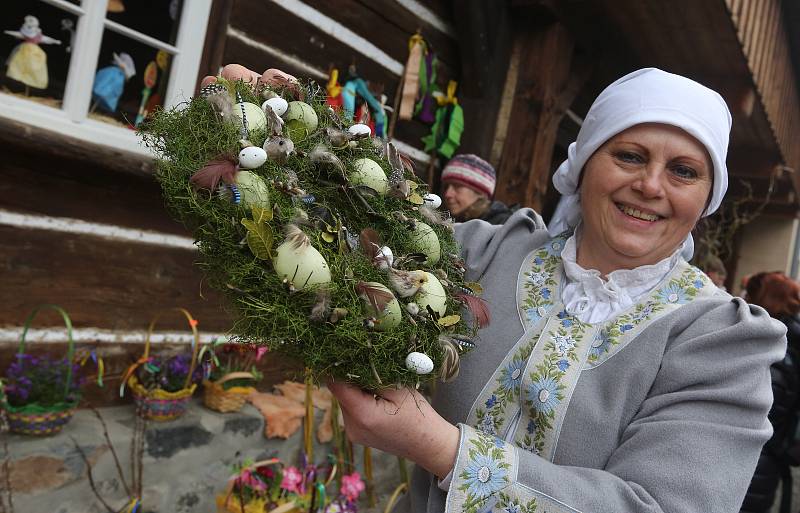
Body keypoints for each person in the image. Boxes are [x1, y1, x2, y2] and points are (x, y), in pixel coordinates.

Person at [206, 65, 786, 512]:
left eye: (684, 170)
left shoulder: (721, 343)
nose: (651, 185)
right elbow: (348, 231)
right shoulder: (487, 251)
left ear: (707, 196)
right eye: (629, 155)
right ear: (584, 166)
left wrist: (440, 448)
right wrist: (270, 127)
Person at [741, 272, 800, 513]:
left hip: (750, 463)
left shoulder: (773, 346)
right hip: (769, 462)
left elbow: (759, 413)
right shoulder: (790, 341)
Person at [441, 154, 516, 224]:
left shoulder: (502, 228)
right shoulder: (450, 222)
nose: (447, 194)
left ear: (480, 193)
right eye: (446, 187)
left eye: (457, 186)